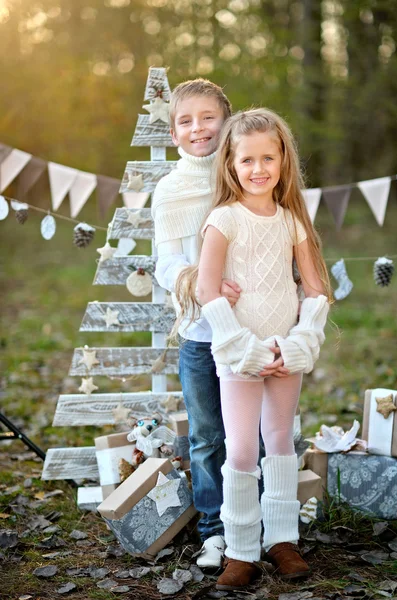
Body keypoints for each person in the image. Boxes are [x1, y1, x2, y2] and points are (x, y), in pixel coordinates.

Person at [175, 108, 332, 590]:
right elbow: (207, 290)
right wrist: (241, 345)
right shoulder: (223, 220)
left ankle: (282, 540)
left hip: (285, 352)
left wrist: (299, 340)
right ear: (231, 164)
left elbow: (317, 288)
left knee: (280, 443)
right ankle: (242, 548)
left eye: (268, 157)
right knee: (242, 449)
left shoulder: (291, 222)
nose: (259, 169)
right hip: (240, 353)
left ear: (284, 160)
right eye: (248, 160)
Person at [151, 79, 240, 569]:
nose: (198, 128)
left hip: (249, 328)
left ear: (226, 122)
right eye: (186, 120)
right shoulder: (168, 191)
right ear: (173, 133)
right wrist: (202, 283)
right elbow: (165, 265)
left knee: (258, 435)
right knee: (207, 437)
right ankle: (214, 531)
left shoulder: (243, 173)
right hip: (200, 334)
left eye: (208, 117)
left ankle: (260, 523)